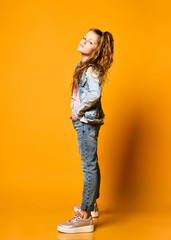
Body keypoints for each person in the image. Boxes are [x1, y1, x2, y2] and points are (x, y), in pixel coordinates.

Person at [57, 28, 114, 233]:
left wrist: (77, 110)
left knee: (88, 166)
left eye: (90, 42)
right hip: (85, 120)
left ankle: (85, 215)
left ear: (97, 49)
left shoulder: (90, 69)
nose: (84, 42)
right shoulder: (83, 65)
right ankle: (92, 205)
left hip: (86, 121)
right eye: (84, 38)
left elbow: (94, 94)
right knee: (92, 164)